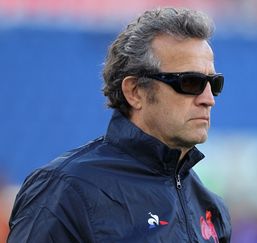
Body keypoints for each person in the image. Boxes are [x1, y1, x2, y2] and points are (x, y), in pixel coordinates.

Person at [8, 7, 231, 242]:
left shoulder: (209, 205)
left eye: (213, 83)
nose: (209, 99)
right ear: (134, 91)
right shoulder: (66, 191)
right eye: (190, 82)